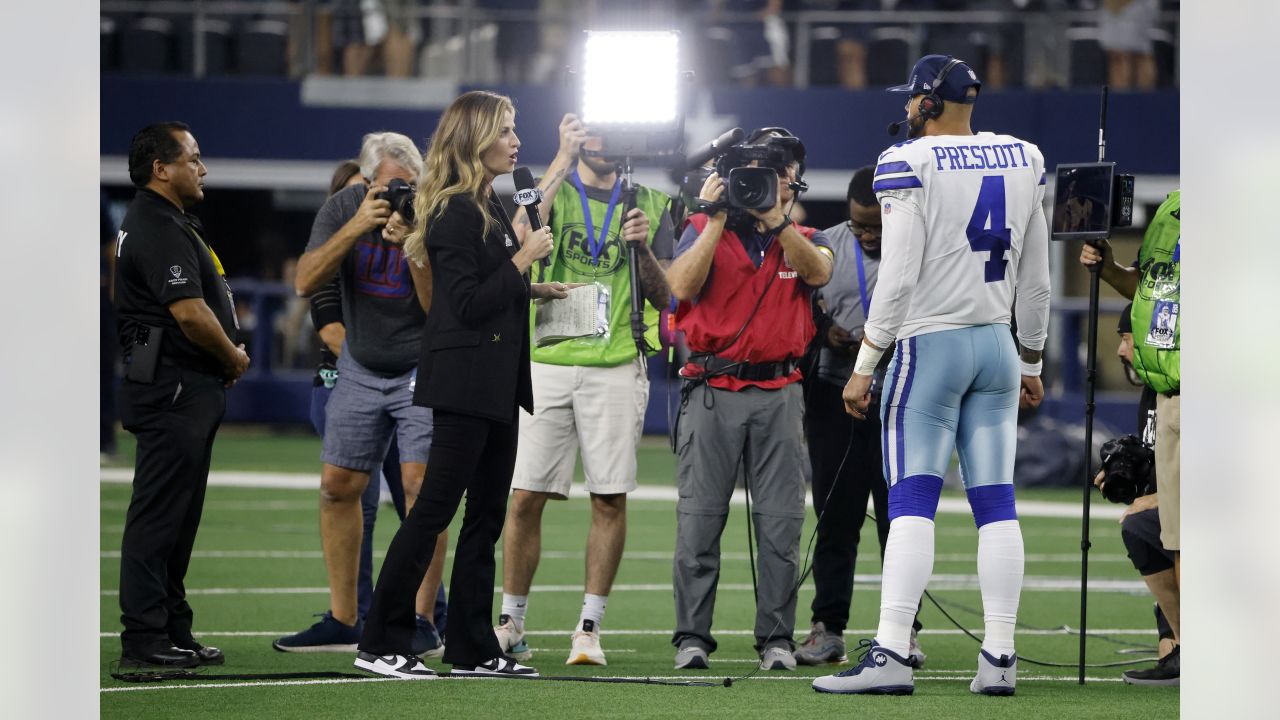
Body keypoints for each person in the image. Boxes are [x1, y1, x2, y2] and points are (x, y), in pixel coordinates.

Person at [813, 55, 1051, 696]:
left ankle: (891, 650)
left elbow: (896, 278)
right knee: (997, 505)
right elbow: (1036, 276)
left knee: (912, 501)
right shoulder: (1023, 157)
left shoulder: (906, 162)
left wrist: (865, 364)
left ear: (924, 101)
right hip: (996, 346)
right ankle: (999, 657)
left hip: (931, 346)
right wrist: (1031, 357)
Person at [355, 90, 570, 679]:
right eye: (505, 130)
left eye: (515, 130)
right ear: (475, 138)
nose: (516, 141)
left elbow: (487, 286)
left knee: (487, 518)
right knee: (432, 515)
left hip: (497, 382)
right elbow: (468, 303)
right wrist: (524, 260)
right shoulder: (451, 209)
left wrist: (532, 289)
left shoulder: (485, 203)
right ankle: (381, 640)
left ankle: (473, 646)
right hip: (464, 383)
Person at [494, 120, 675, 666]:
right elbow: (523, 238)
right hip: (546, 356)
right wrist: (558, 160)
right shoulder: (553, 185)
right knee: (524, 495)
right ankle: (512, 622)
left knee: (609, 495)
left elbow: (667, 296)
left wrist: (642, 249)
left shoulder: (654, 202)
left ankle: (589, 627)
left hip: (617, 361)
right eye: (593, 133)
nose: (606, 143)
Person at [666, 127, 834, 672]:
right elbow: (682, 288)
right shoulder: (699, 225)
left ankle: (777, 641)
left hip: (781, 390)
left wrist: (776, 221)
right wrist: (716, 215)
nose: (765, 184)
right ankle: (692, 638)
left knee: (782, 525)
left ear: (792, 182)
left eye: (777, 176)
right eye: (755, 176)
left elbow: (819, 272)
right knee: (699, 522)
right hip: (712, 387)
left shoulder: (807, 235)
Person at [277, 132, 442, 653]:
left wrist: (412, 242)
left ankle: (420, 620)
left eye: (409, 186)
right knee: (336, 488)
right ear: (368, 181)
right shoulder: (342, 208)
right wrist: (357, 226)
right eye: (392, 187)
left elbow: (438, 307)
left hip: (420, 364)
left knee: (420, 489)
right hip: (360, 364)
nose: (401, 196)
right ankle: (345, 617)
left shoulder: (432, 208)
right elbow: (305, 281)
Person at [114, 122, 250, 669]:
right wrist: (232, 356)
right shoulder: (155, 223)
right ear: (161, 169)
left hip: (178, 383)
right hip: (173, 386)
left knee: (179, 515)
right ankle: (144, 638)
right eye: (193, 157)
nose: (203, 167)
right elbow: (190, 314)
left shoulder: (164, 221)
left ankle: (171, 628)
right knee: (159, 516)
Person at [794, 166, 924, 668]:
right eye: (859, 226)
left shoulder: (918, 248)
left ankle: (904, 630)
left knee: (901, 522)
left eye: (876, 226)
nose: (868, 235)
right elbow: (798, 301)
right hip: (833, 398)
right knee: (835, 521)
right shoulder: (824, 244)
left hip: (900, 401)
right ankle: (827, 627)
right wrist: (822, 329)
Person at [1080, 188, 1181, 670]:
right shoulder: (1168, 211)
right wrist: (1109, 269)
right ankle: (1184, 647)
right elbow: (1145, 285)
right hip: (1169, 389)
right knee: (1168, 533)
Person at [1094, 304, 1178, 686]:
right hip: (1177, 515)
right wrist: (1128, 469)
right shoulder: (1155, 393)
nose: (1120, 351)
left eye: (1126, 338)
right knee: (1145, 524)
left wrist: (1159, 498)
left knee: (1149, 521)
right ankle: (1175, 642)